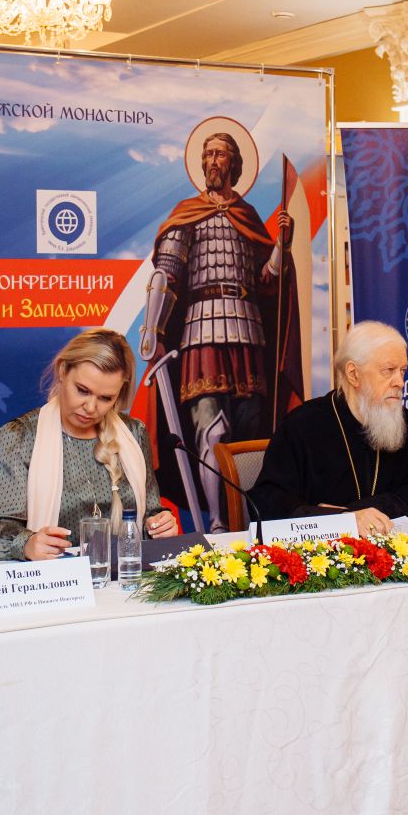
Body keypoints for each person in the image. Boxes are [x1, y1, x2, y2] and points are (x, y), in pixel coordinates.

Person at [140, 129, 294, 527]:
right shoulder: (187, 213)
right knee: (211, 431)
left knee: (248, 433)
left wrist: (281, 244)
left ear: (234, 164)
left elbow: (268, 281)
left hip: (248, 331)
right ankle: (218, 524)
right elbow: (165, 275)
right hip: (201, 331)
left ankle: (246, 518)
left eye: (220, 154)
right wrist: (153, 332)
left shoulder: (248, 216)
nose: (212, 161)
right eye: (207, 154)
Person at [0, 329, 177, 560]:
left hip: (126, 572)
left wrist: (159, 525)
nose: (91, 407)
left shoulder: (134, 433)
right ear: (62, 370)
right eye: (83, 391)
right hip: (54, 573)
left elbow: (148, 514)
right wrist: (26, 544)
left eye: (106, 398)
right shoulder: (20, 436)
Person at [250, 321, 408, 535]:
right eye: (389, 371)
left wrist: (365, 510)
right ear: (353, 374)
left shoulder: (401, 421)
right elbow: (268, 503)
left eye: (402, 371)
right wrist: (340, 519)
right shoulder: (302, 425)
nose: (400, 382)